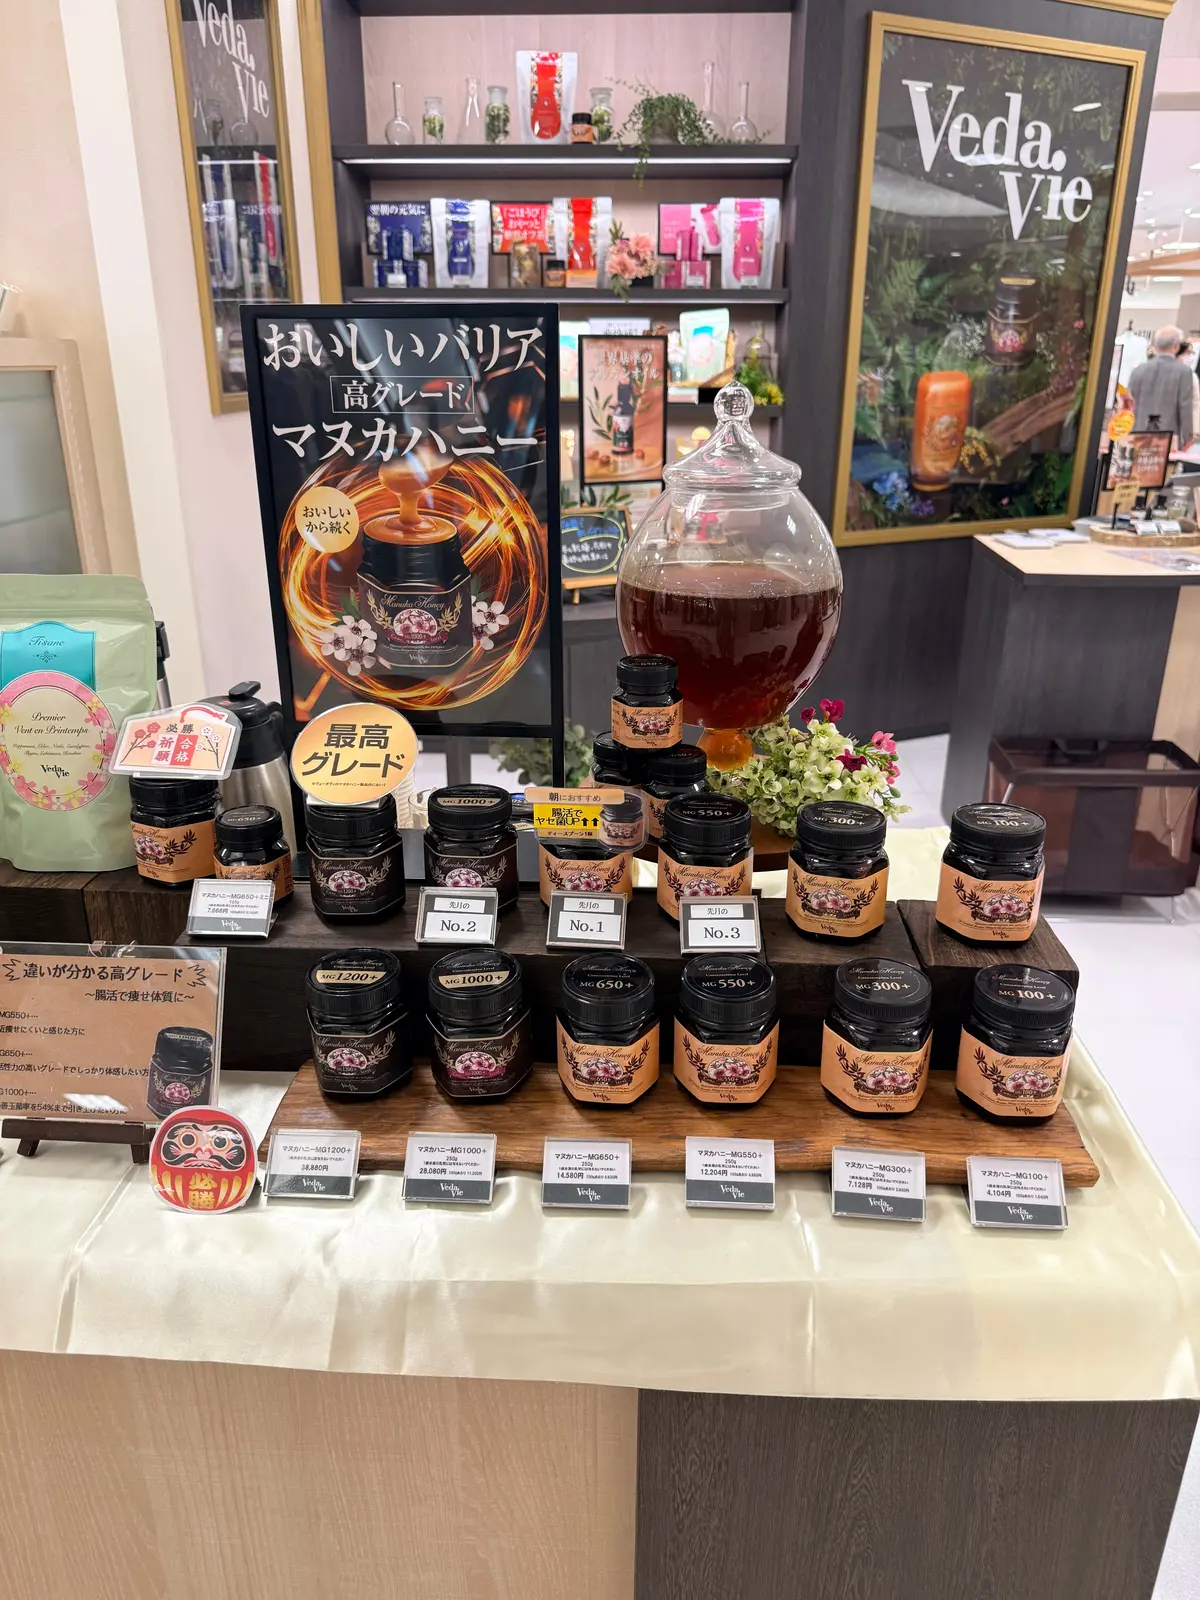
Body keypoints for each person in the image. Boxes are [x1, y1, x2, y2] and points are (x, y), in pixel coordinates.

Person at [1128, 326, 1196, 447]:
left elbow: (1131, 404)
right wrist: (1187, 437)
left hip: (1139, 434)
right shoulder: (1184, 372)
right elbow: (1185, 406)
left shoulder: (1138, 371)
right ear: (1176, 346)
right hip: (1169, 437)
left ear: (1155, 345)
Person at [1177, 339, 1200, 443]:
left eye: (1191, 353)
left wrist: (1195, 429)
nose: (1190, 356)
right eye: (1188, 353)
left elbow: (1196, 404)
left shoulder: (1192, 377)